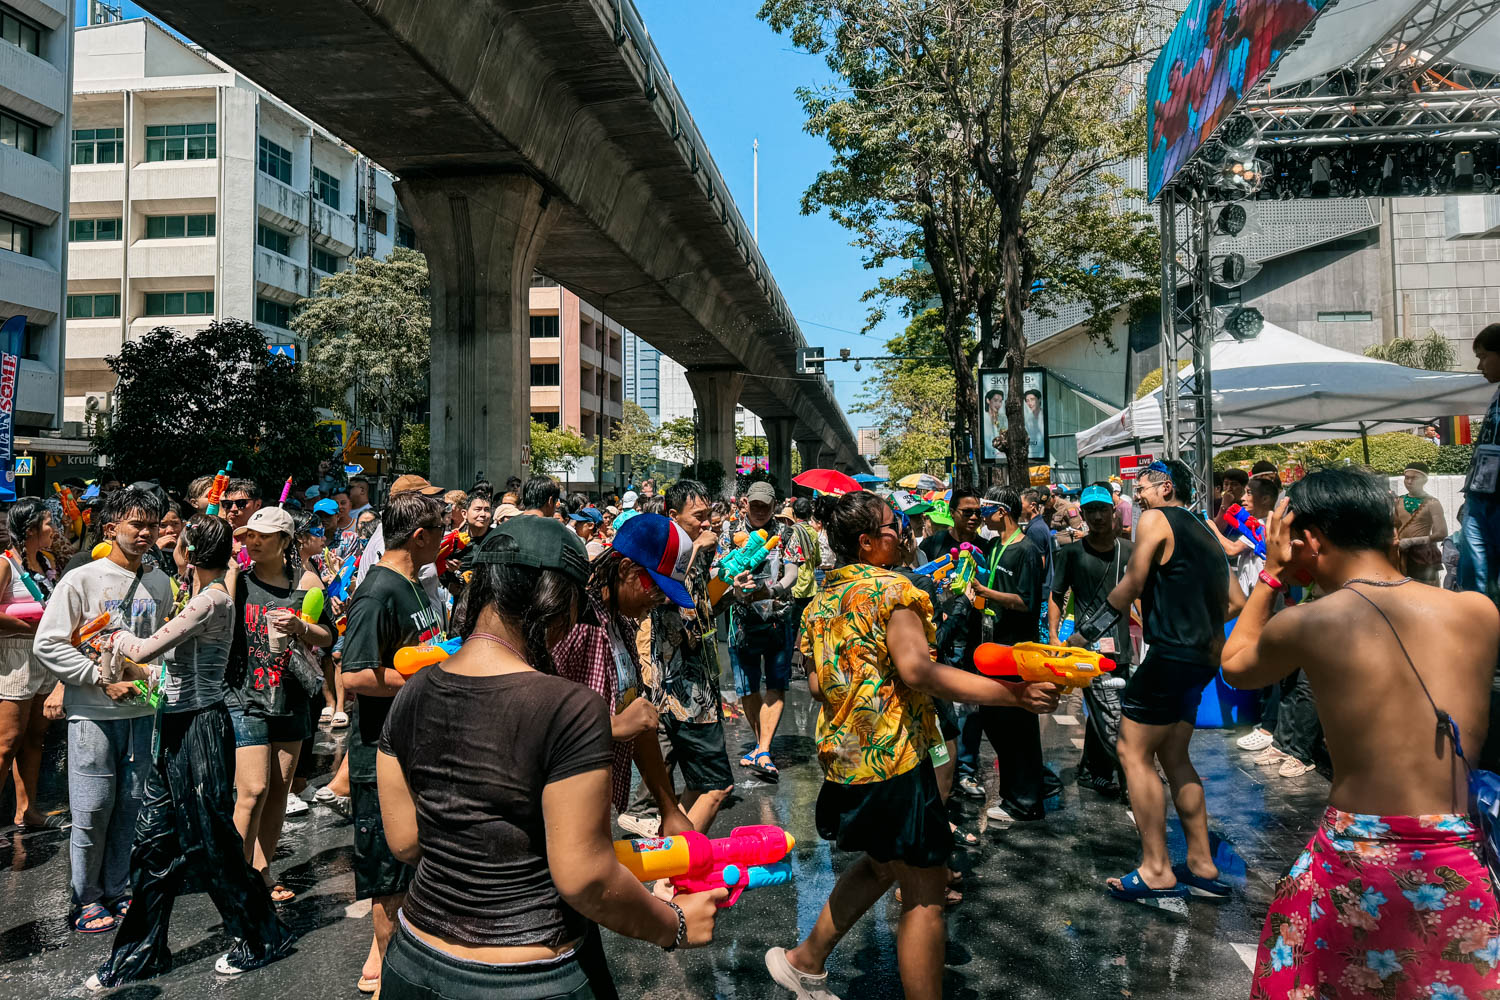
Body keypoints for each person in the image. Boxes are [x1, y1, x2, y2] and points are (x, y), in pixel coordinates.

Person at [376, 516, 724, 1000]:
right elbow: (585, 878)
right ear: (558, 604)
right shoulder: (568, 706)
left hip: (415, 960)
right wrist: (675, 925)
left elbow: (407, 842)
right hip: (530, 976)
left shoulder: (410, 696)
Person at [765, 492, 1060, 1000]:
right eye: (891, 526)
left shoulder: (823, 598)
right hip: (893, 755)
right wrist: (1012, 694)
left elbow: (816, 686)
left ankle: (804, 961)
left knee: (882, 864)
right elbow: (919, 672)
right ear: (866, 542)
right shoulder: (892, 591)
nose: (901, 532)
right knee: (925, 892)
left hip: (847, 756)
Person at [1221, 468, 1500, 997]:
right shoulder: (1479, 611)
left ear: (1311, 541)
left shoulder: (1312, 621)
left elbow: (1234, 665)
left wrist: (1273, 574)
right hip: (1461, 859)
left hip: (1359, 861)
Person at [88, 516, 292, 986]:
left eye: (178, 542)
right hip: (174, 724)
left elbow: (141, 649)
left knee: (214, 842)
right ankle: (141, 951)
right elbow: (160, 670)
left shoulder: (211, 599)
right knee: (152, 842)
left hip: (201, 727)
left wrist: (112, 635)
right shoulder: (198, 597)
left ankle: (261, 937)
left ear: (189, 551)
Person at [1068, 459, 1232, 902]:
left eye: (1140, 488)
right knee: (1176, 756)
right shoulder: (1206, 531)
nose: (1134, 497)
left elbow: (1130, 585)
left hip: (1169, 657)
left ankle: (1157, 869)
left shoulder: (1157, 519)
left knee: (1131, 751)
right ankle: (1201, 864)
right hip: (1202, 659)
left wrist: (1081, 638)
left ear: (1164, 488)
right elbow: (1234, 601)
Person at [35, 486, 173, 934]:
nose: (147, 532)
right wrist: (100, 679)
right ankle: (85, 898)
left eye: (153, 524)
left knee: (131, 807)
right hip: (92, 716)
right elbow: (48, 643)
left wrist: (155, 685)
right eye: (137, 524)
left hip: (142, 717)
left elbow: (161, 647)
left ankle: (118, 888)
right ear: (111, 528)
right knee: (93, 809)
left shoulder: (158, 582)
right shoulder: (82, 579)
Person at [342, 490, 448, 995]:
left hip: (418, 750)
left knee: (412, 873)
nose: (447, 536)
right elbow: (356, 675)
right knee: (387, 882)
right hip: (381, 759)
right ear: (420, 536)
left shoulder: (414, 584)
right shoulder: (377, 591)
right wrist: (421, 684)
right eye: (440, 529)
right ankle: (388, 973)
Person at [552, 514, 697, 834]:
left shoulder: (621, 625)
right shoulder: (577, 625)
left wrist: (668, 808)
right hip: (558, 810)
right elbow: (539, 721)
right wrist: (613, 726)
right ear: (627, 571)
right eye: (657, 589)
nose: (659, 602)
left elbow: (637, 723)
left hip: (594, 804)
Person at [226, 506, 335, 904]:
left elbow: (327, 638)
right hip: (245, 694)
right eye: (249, 535)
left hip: (291, 697)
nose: (252, 542)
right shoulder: (237, 579)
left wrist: (301, 627)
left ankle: (262, 869)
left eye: (263, 536)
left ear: (285, 542)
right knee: (253, 789)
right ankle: (236, 879)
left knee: (277, 793)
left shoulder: (306, 583)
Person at [633, 481, 741, 836]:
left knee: (700, 784)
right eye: (699, 517)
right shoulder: (664, 551)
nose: (707, 524)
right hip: (682, 693)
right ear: (673, 516)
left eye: (709, 517)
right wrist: (695, 548)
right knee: (716, 786)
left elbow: (699, 607)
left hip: (700, 688)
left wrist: (729, 590)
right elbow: (663, 594)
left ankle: (671, 853)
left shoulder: (699, 550)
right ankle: (677, 870)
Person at [965, 487, 1052, 823]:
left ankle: (1027, 801)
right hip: (994, 645)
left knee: (1019, 725)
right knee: (995, 719)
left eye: (986, 508)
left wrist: (987, 593)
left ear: (1002, 511)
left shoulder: (1027, 550)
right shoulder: (994, 545)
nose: (980, 514)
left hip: (1017, 649)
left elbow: (1027, 602)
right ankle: (1014, 793)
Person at [1048, 485, 1133, 797]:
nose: (1098, 516)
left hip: (1123, 648)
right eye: (1091, 511)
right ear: (1082, 515)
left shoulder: (1130, 550)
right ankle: (1132, 776)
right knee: (1111, 715)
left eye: (1103, 509)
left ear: (1113, 512)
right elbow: (1056, 595)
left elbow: (1143, 597)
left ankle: (1090, 770)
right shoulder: (1071, 553)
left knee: (1104, 711)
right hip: (1088, 649)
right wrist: (1055, 636)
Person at [722, 481, 801, 780]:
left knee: (777, 684)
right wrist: (733, 584)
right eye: (753, 505)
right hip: (742, 618)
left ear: (774, 505)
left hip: (778, 616)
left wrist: (776, 588)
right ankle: (760, 745)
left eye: (764, 506)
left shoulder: (787, 532)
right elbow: (718, 568)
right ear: (744, 502)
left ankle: (764, 748)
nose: (758, 511)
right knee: (747, 687)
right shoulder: (730, 532)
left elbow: (792, 570)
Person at [0, 498, 60, 830]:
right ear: (31, 529)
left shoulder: (47, 563)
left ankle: (27, 810)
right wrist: (26, 628)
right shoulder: (5, 564)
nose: (54, 529)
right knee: (7, 742)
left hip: (44, 656)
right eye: (49, 523)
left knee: (35, 738)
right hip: (15, 657)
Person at [1394, 461, 1447, 586]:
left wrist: (1412, 541)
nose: (1409, 482)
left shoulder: (1433, 503)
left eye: (1414, 478)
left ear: (1424, 480)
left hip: (1423, 556)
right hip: (1399, 555)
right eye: (1407, 478)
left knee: (1427, 590)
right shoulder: (1398, 501)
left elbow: (1442, 533)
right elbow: (1393, 526)